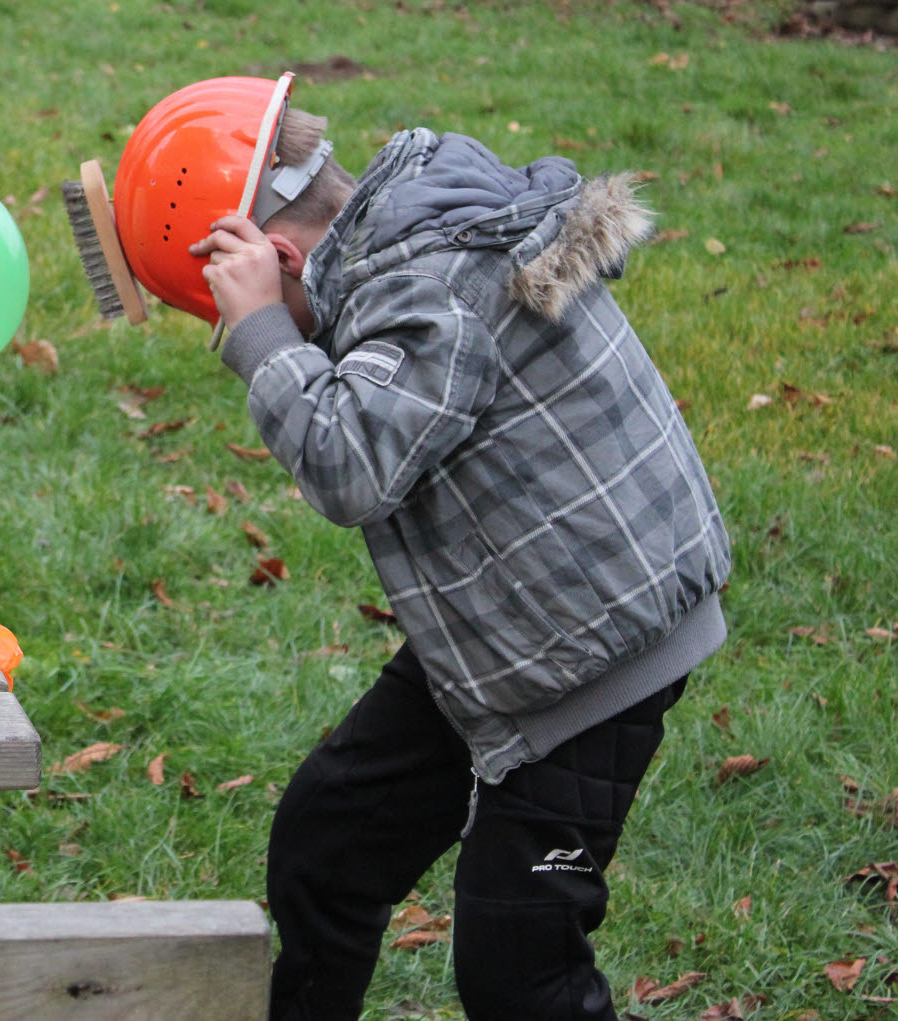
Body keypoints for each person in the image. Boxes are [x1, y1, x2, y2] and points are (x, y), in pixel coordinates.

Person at [184, 103, 733, 1019]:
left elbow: (349, 464)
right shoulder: (405, 241)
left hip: (594, 647)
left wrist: (263, 335)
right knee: (330, 844)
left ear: (279, 257)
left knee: (521, 966)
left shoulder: (426, 284)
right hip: (512, 625)